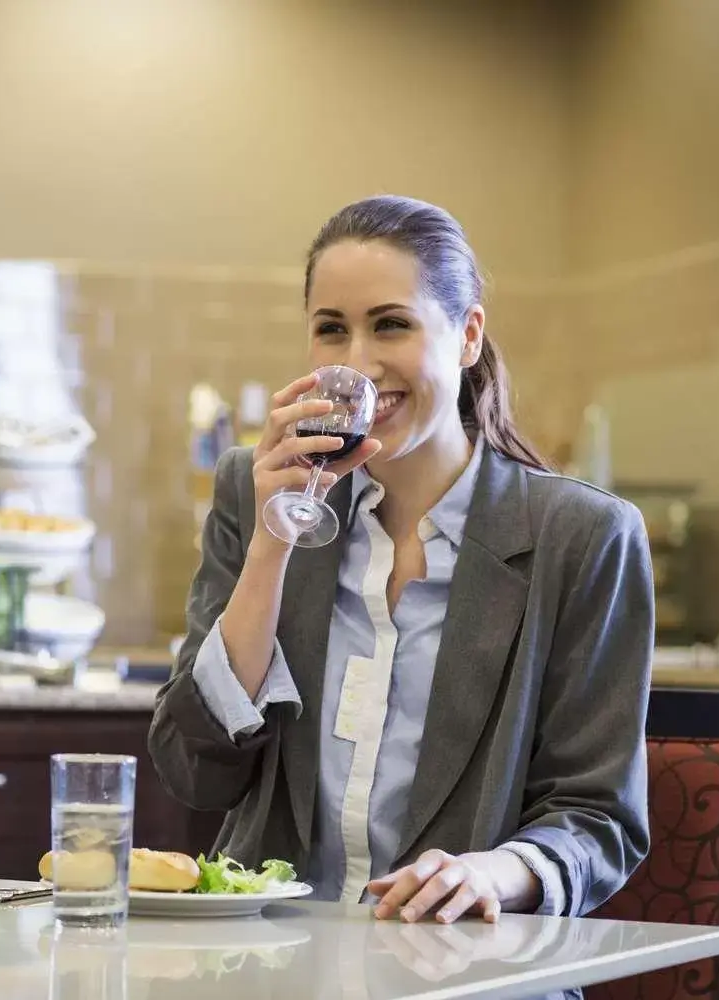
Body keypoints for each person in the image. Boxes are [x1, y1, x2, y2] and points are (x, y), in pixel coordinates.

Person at [149, 195, 652, 925]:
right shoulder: (251, 489)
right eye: (331, 330)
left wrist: (497, 872)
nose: (358, 363)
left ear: (468, 335)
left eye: (391, 324)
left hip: (465, 966)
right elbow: (192, 770)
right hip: (272, 959)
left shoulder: (582, 535)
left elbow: (599, 816)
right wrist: (271, 544)